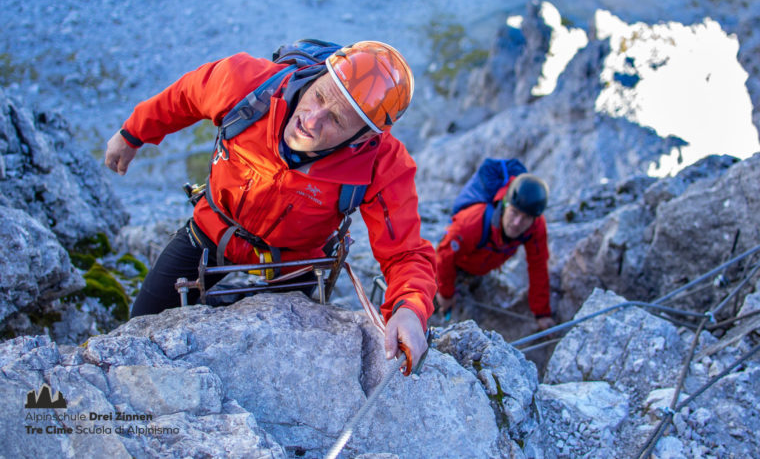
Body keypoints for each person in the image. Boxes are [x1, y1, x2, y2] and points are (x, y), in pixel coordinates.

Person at [104, 41, 436, 370]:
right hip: (213, 230)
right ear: (320, 74)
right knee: (141, 323)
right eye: (318, 96)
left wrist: (409, 308)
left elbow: (406, 253)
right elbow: (186, 95)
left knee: (285, 367)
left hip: (296, 261)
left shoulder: (382, 164)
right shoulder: (247, 84)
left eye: (335, 118)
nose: (312, 119)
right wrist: (133, 133)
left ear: (363, 137)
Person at [435, 173, 555, 330]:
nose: (517, 223)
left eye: (525, 218)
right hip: (448, 267)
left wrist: (542, 313)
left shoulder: (535, 227)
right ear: (505, 204)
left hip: (479, 270)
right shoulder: (473, 221)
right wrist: (445, 293)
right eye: (514, 212)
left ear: (534, 219)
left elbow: (538, 265)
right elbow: (444, 255)